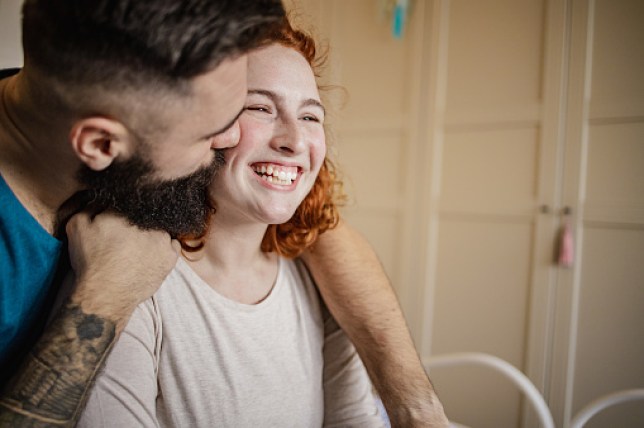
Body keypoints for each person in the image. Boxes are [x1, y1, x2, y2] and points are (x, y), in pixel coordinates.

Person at [0, 1, 447, 426]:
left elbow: (319, 229)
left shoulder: (52, 112)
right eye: (216, 124)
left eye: (312, 116)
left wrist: (417, 409)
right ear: (102, 145)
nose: (226, 136)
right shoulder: (122, 266)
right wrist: (105, 295)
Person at [74, 22, 385, 426]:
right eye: (260, 107)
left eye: (310, 116)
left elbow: (355, 420)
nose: (294, 140)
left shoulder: (323, 282)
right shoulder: (130, 283)